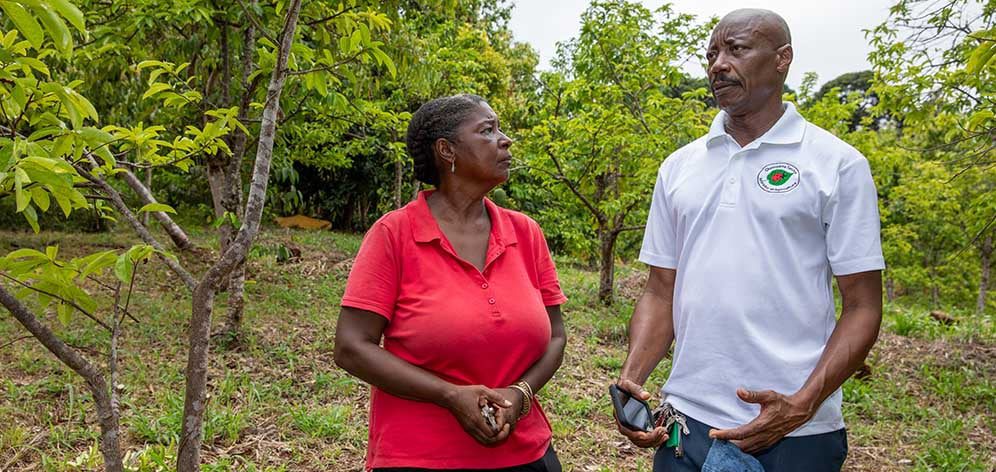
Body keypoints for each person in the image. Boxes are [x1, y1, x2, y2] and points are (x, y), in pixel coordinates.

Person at [614, 9, 885, 471]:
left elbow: (862, 306)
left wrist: (802, 404)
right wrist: (631, 379)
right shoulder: (679, 167)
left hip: (795, 435)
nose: (719, 65)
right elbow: (660, 291)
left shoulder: (837, 165)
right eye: (711, 55)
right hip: (685, 425)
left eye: (736, 49)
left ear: (782, 59)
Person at [334, 94, 568, 472]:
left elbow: (556, 335)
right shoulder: (394, 234)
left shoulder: (525, 233)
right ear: (447, 150)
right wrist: (449, 395)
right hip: (419, 456)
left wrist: (519, 394)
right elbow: (351, 346)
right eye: (487, 130)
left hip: (526, 453)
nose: (505, 140)